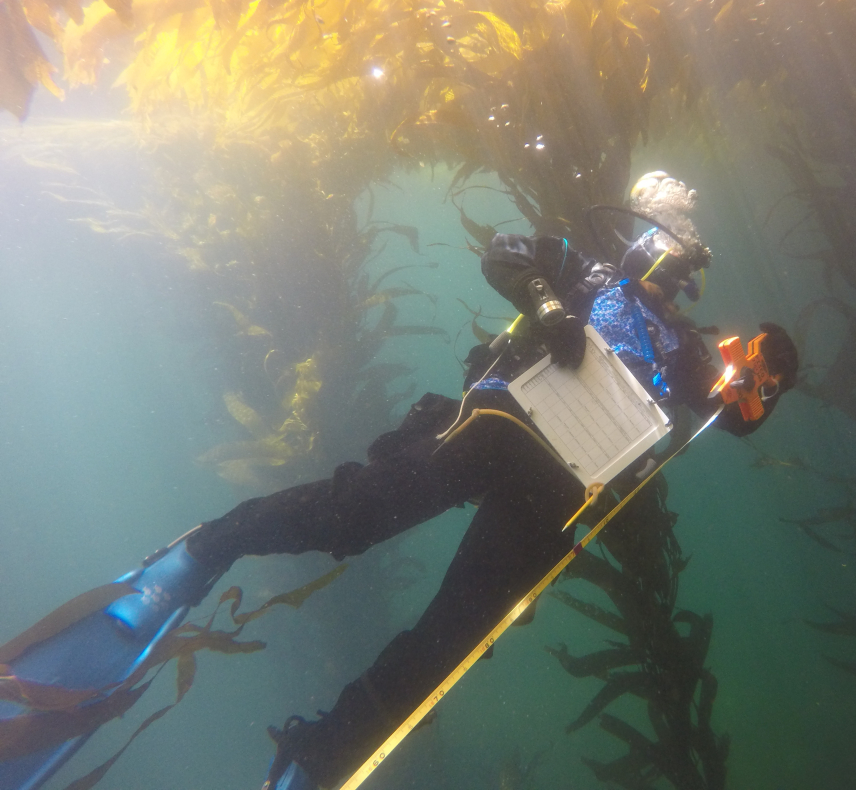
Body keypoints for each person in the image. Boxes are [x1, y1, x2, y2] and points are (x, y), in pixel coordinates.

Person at [0, 173, 798, 790]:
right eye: (658, 248)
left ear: (687, 271)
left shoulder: (690, 352)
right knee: (353, 513)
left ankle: (317, 756)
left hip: (558, 498)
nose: (662, 263)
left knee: (453, 638)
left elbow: (735, 409)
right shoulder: (584, 271)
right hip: (491, 429)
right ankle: (200, 555)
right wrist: (552, 307)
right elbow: (505, 252)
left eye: (678, 260)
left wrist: (763, 371)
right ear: (637, 243)